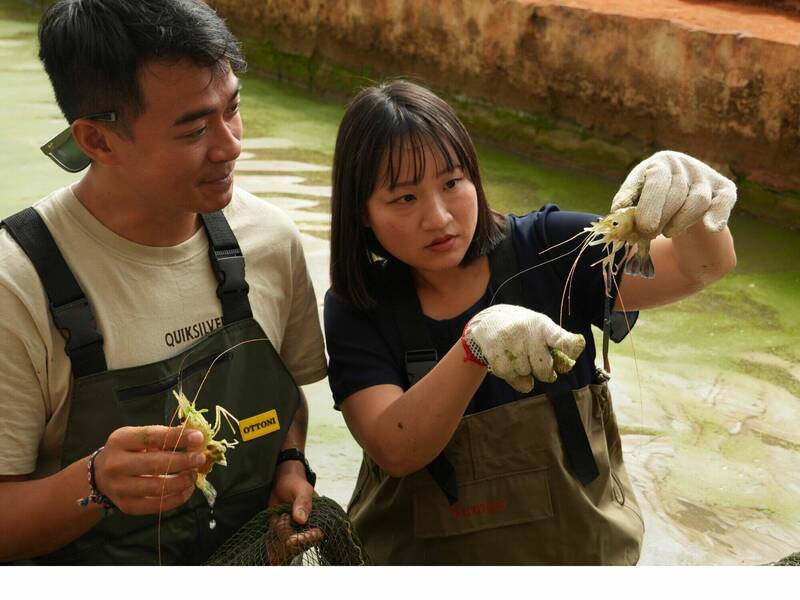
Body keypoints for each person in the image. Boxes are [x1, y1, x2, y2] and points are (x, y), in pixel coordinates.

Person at [324, 80, 737, 565]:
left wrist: (694, 203)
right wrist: (474, 347)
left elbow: (700, 269)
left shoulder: (549, 247)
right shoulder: (358, 306)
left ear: (474, 177)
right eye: (404, 199)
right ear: (363, 215)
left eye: (452, 183)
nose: (438, 218)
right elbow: (395, 449)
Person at [0, 0, 326, 565]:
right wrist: (97, 483)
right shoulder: (15, 287)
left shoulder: (269, 241)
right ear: (98, 141)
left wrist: (289, 464)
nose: (230, 145)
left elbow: (287, 402)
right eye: (196, 128)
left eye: (234, 109)